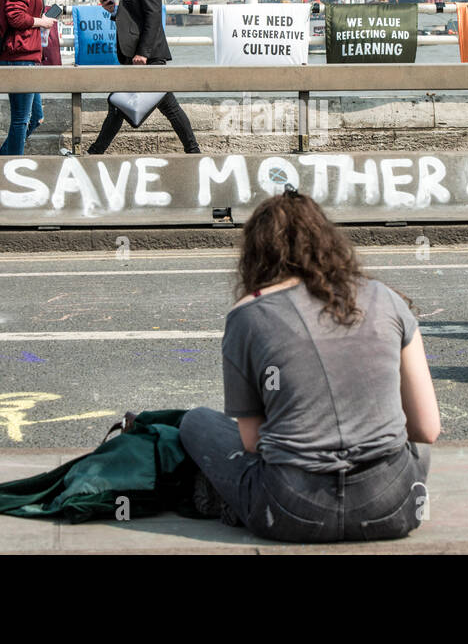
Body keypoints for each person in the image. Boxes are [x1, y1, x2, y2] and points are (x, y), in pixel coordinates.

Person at [179, 189, 440, 542]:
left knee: (196, 421)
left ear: (256, 254)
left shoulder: (247, 315)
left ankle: (230, 499)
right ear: (330, 241)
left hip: (290, 510)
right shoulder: (387, 299)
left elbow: (252, 441)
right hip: (392, 506)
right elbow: (427, 429)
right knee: (410, 445)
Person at [86, 0, 200, 155]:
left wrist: (143, 53)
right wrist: (115, 10)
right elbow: (135, 17)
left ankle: (193, 151)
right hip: (139, 55)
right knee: (123, 106)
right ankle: (95, 152)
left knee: (162, 106)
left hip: (145, 57)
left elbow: (153, 15)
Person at [0, 0, 57, 156]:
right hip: (18, 56)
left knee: (36, 118)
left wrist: (37, 18)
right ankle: (11, 166)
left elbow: (18, 12)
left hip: (24, 54)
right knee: (22, 119)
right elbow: (15, 16)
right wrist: (41, 22)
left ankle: (2, 159)